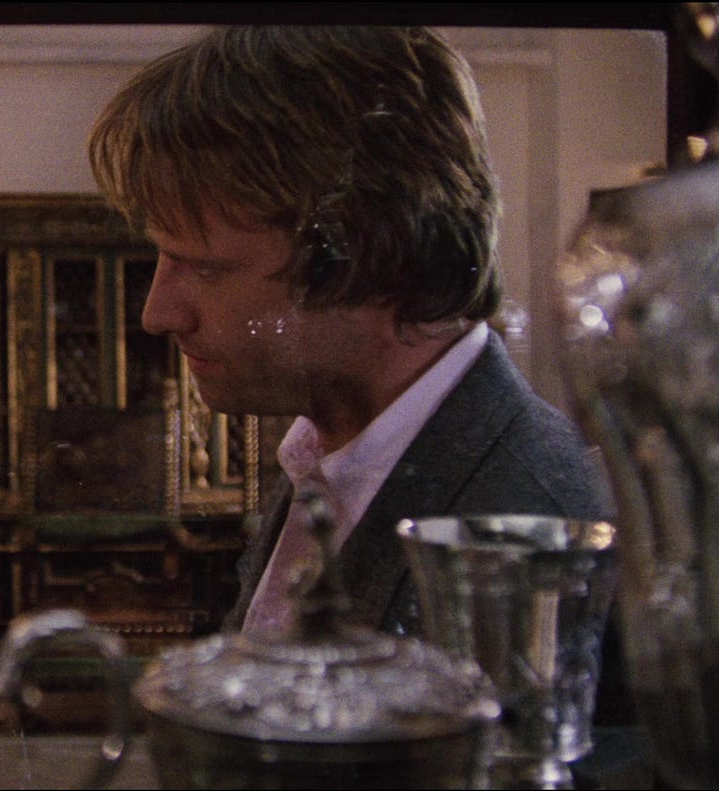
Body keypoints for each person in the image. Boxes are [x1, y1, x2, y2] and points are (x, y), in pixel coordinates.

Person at [87, 26, 617, 639]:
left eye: (206, 268)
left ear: (368, 258)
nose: (158, 314)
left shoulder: (531, 530)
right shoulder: (331, 455)